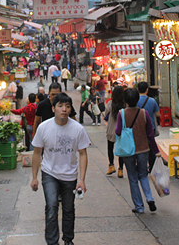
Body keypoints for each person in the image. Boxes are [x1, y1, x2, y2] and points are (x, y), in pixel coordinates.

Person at [31, 93, 90, 245]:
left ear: (70, 109)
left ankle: (68, 239)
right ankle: (52, 242)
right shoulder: (44, 128)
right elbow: (37, 152)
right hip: (49, 173)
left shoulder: (77, 129)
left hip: (70, 175)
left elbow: (83, 154)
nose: (64, 109)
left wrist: (82, 179)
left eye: (67, 106)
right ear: (53, 108)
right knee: (51, 206)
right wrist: (34, 177)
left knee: (69, 209)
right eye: (60, 106)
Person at [115, 88, 160, 214]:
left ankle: (139, 206)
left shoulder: (121, 113)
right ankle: (149, 197)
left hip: (128, 150)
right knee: (143, 175)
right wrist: (156, 151)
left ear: (126, 101)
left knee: (133, 178)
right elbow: (150, 134)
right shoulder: (144, 113)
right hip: (143, 148)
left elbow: (118, 131)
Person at [136, 81, 160, 172]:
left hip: (138, 128)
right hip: (150, 128)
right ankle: (152, 167)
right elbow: (158, 114)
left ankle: (142, 166)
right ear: (147, 90)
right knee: (151, 148)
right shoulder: (152, 101)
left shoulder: (135, 100)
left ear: (138, 90)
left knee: (140, 148)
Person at [104, 86, 125, 178]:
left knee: (110, 148)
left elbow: (106, 114)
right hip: (122, 129)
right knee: (121, 150)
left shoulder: (110, 103)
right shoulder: (125, 104)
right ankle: (120, 170)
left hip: (112, 128)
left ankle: (111, 165)